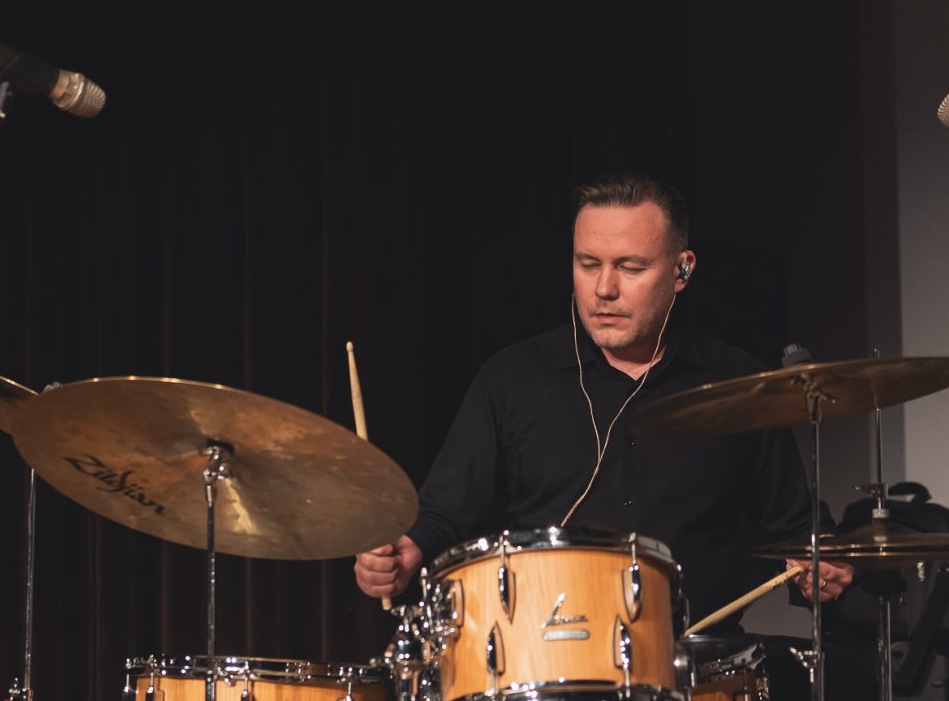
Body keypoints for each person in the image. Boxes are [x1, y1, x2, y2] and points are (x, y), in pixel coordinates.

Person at [355, 171, 854, 629]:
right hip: (546, 658)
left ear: (682, 271)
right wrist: (405, 553)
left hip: (694, 663)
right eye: (588, 264)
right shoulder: (511, 379)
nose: (604, 289)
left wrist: (820, 564)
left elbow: (797, 529)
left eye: (630, 267)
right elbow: (444, 514)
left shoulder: (739, 384)